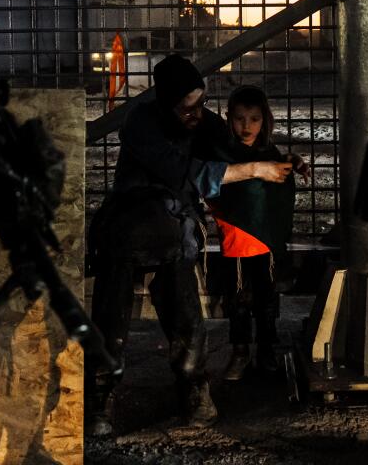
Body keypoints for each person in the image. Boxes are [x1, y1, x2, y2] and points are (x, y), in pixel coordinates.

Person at [86, 56, 292, 436]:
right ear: (166, 104)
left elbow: (236, 150)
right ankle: (99, 396)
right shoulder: (141, 122)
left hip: (174, 228)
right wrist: (255, 170)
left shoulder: (201, 120)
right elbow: (182, 171)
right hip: (129, 223)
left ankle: (194, 390)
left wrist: (280, 162)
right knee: (110, 315)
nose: (198, 113)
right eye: (188, 107)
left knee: (183, 305)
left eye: (201, 103)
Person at [204, 85, 309, 380]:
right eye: (239, 119)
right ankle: (240, 351)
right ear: (228, 118)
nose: (246, 126)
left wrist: (293, 161)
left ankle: (266, 349)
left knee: (267, 297)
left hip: (266, 242)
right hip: (237, 239)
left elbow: (275, 170)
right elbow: (223, 184)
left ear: (265, 120)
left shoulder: (267, 151)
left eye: (253, 119)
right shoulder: (223, 151)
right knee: (237, 298)